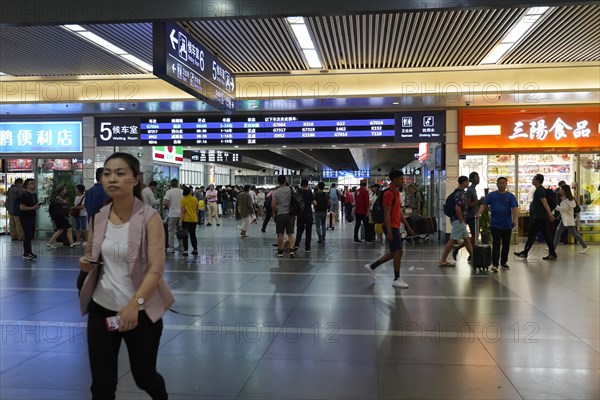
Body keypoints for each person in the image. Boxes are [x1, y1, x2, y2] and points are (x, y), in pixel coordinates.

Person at [78, 152, 174, 400]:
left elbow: (156, 269)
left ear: (135, 179)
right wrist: (86, 262)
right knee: (101, 386)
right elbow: (91, 254)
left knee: (145, 377)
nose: (112, 179)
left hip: (140, 313)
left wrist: (134, 304)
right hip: (102, 311)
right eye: (107, 173)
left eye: (120, 174)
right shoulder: (99, 217)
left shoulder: (149, 218)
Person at [364, 170, 415, 288]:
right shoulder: (388, 194)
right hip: (390, 226)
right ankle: (396, 278)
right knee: (398, 251)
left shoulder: (396, 193)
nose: (403, 181)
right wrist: (390, 231)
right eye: (401, 179)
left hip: (395, 225)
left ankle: (372, 267)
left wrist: (407, 226)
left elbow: (398, 212)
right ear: (395, 179)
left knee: (395, 252)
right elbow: (386, 214)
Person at [476, 177, 519, 272]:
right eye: (499, 183)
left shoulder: (510, 196)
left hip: (507, 224)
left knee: (506, 244)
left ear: (506, 184)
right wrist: (479, 213)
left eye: (503, 183)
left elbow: (515, 208)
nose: (501, 185)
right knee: (496, 243)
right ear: (497, 184)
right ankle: (495, 263)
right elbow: (484, 205)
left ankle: (504, 262)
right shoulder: (492, 195)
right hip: (495, 224)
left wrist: (515, 219)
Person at [514, 174, 557, 260]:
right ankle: (552, 253)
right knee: (544, 235)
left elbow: (545, 203)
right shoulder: (539, 190)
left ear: (537, 180)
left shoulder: (539, 190)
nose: (532, 180)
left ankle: (525, 253)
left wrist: (550, 214)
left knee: (532, 235)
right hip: (539, 217)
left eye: (533, 179)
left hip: (539, 217)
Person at [439, 176, 473, 266]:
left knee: (467, 240)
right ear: (464, 182)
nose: (468, 183)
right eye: (467, 182)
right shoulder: (460, 194)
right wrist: (461, 220)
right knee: (452, 240)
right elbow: (457, 208)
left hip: (458, 220)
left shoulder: (459, 192)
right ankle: (442, 260)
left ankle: (474, 257)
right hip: (458, 220)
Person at [553, 184, 590, 254]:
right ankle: (553, 248)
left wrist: (555, 206)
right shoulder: (566, 199)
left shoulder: (568, 201)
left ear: (564, 191)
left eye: (561, 190)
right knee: (558, 233)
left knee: (574, 234)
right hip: (564, 220)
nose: (560, 191)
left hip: (567, 221)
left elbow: (563, 209)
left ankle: (585, 246)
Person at [272, 175, 296, 258]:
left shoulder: (276, 192)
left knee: (280, 234)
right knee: (290, 233)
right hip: (290, 214)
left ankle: (280, 251)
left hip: (280, 214)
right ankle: (292, 250)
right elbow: (296, 199)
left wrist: (274, 213)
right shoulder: (291, 189)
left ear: (278, 182)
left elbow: (273, 205)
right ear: (285, 181)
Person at [18, 178, 41, 260]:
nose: (33, 185)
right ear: (27, 186)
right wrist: (33, 207)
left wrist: (35, 207)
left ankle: (29, 252)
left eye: (34, 183)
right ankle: (26, 253)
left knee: (30, 235)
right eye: (31, 183)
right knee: (27, 235)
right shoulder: (24, 195)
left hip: (31, 217)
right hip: (25, 218)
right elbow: (22, 207)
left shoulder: (33, 195)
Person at [294, 179, 316, 252]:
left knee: (299, 230)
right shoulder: (309, 192)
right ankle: (307, 248)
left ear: (301, 184)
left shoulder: (298, 192)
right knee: (308, 231)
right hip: (308, 213)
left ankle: (296, 244)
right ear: (307, 185)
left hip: (300, 214)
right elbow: (314, 203)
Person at [163, 179, 184, 253]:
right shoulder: (182, 191)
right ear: (178, 184)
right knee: (180, 230)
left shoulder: (169, 192)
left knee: (171, 231)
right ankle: (181, 246)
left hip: (172, 213)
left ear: (171, 184)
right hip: (181, 214)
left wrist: (170, 206)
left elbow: (165, 202)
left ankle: (171, 247)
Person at [178, 185, 199, 256]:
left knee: (185, 236)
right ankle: (195, 249)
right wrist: (196, 217)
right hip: (193, 219)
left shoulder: (183, 200)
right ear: (190, 192)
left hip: (186, 220)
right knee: (193, 235)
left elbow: (182, 211)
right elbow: (197, 210)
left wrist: (180, 221)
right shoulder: (195, 199)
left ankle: (185, 251)